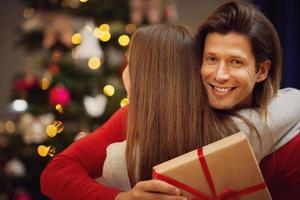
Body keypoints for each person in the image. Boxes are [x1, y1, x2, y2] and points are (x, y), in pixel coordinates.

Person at [40, 1, 300, 200]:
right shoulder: (140, 115)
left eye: (235, 62)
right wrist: (120, 198)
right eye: (210, 59)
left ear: (261, 71)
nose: (219, 75)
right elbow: (56, 172)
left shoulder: (290, 139)